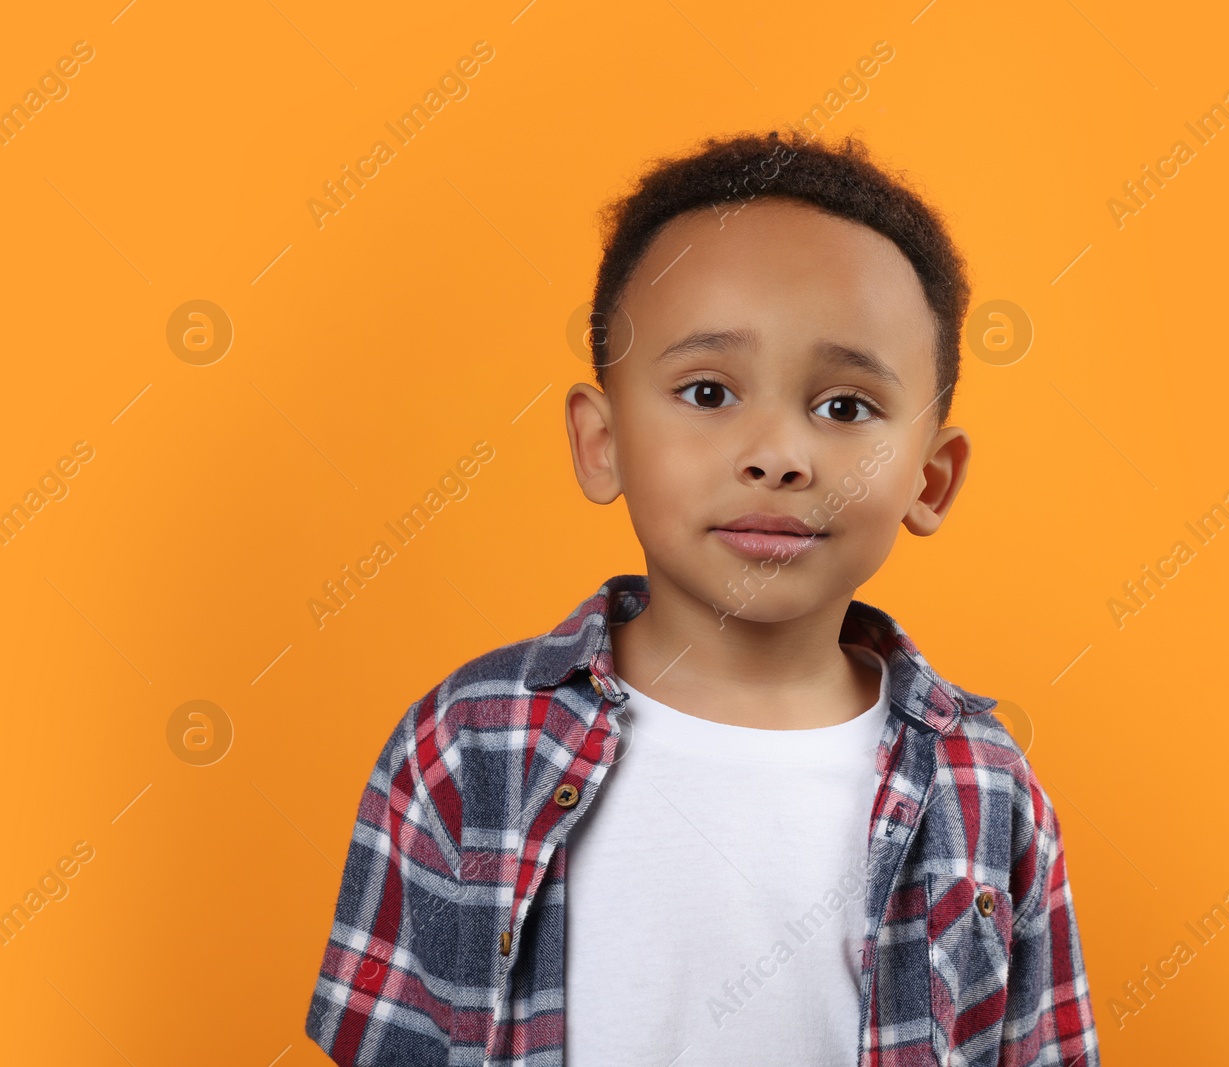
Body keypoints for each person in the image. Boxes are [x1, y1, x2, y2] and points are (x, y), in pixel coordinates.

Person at [304, 129, 1099, 1067]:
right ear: (602, 443)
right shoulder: (471, 746)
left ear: (930, 478)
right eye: (709, 390)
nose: (777, 454)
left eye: (845, 407)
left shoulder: (985, 789)